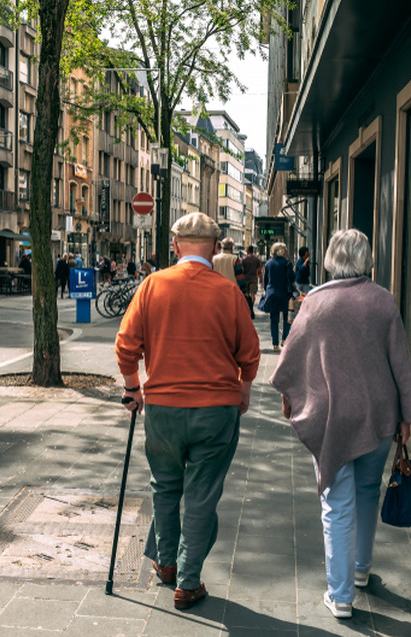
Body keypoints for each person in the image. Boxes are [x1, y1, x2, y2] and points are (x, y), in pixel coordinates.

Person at [270, 229, 411, 620]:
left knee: (336, 503)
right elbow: (401, 364)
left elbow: (289, 358)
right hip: (379, 416)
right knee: (368, 490)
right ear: (367, 259)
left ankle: (340, 597)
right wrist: (408, 416)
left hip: (331, 418)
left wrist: (290, 396)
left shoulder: (315, 303)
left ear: (330, 259)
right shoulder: (383, 301)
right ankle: (360, 570)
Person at [116, 212, 260, 612]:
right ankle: (188, 581)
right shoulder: (229, 293)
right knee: (201, 496)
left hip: (162, 407)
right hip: (216, 410)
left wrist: (133, 389)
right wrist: (244, 389)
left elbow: (126, 346)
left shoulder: (152, 286)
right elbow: (249, 354)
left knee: (164, 485)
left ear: (175, 246)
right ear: (215, 250)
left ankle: (165, 563)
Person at [261, 243, 296, 352]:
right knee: (287, 318)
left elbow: (265, 280)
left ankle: (275, 344)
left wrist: (267, 290)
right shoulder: (287, 263)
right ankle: (284, 339)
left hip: (272, 294)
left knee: (274, 319)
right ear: (283, 251)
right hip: (285, 293)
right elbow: (292, 277)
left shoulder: (268, 263)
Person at [241, 245, 262, 318]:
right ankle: (252, 307)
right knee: (253, 295)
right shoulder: (257, 259)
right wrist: (261, 281)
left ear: (247, 251)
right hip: (253, 278)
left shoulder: (244, 259)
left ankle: (248, 309)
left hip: (245, 279)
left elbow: (242, 270)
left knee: (246, 294)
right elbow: (259, 271)